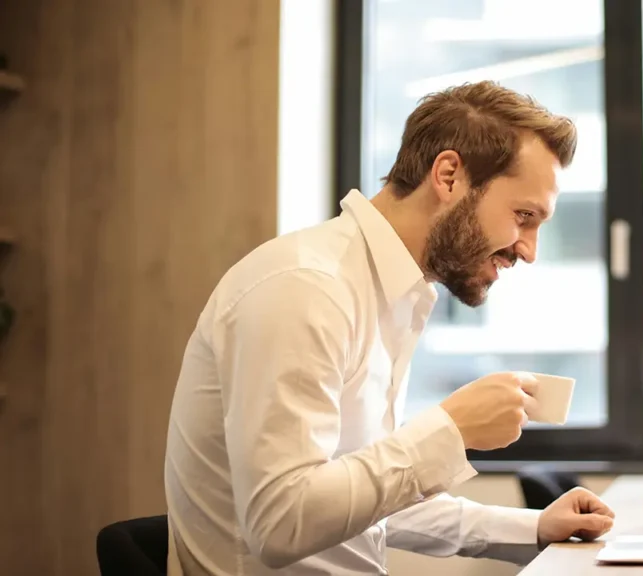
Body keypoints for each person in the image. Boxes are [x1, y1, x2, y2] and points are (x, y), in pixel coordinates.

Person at [164, 80, 615, 576]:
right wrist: (450, 430)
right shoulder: (306, 288)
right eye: (523, 216)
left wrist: (529, 529)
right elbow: (281, 523)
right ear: (448, 176)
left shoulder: (391, 292)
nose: (529, 249)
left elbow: (359, 502)